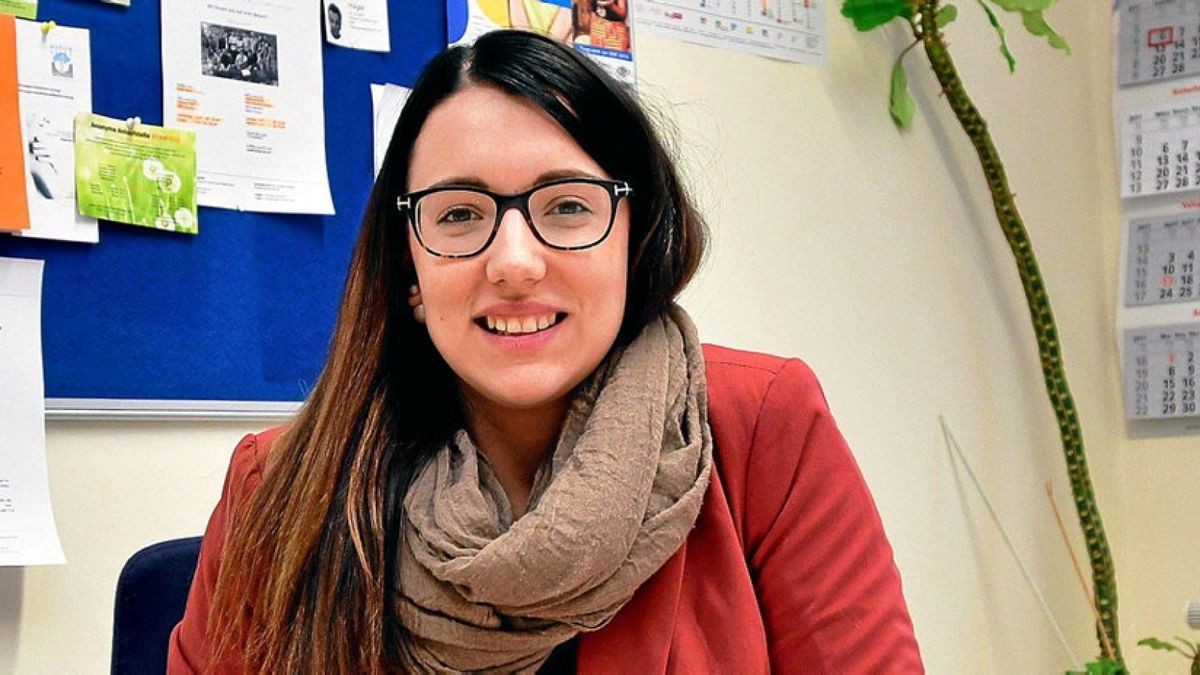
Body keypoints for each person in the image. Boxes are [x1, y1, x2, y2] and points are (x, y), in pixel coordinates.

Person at [168, 29, 923, 673]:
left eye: (566, 205)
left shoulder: (762, 428)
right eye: (460, 214)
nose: (515, 262)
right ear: (410, 269)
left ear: (635, 234)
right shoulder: (281, 486)